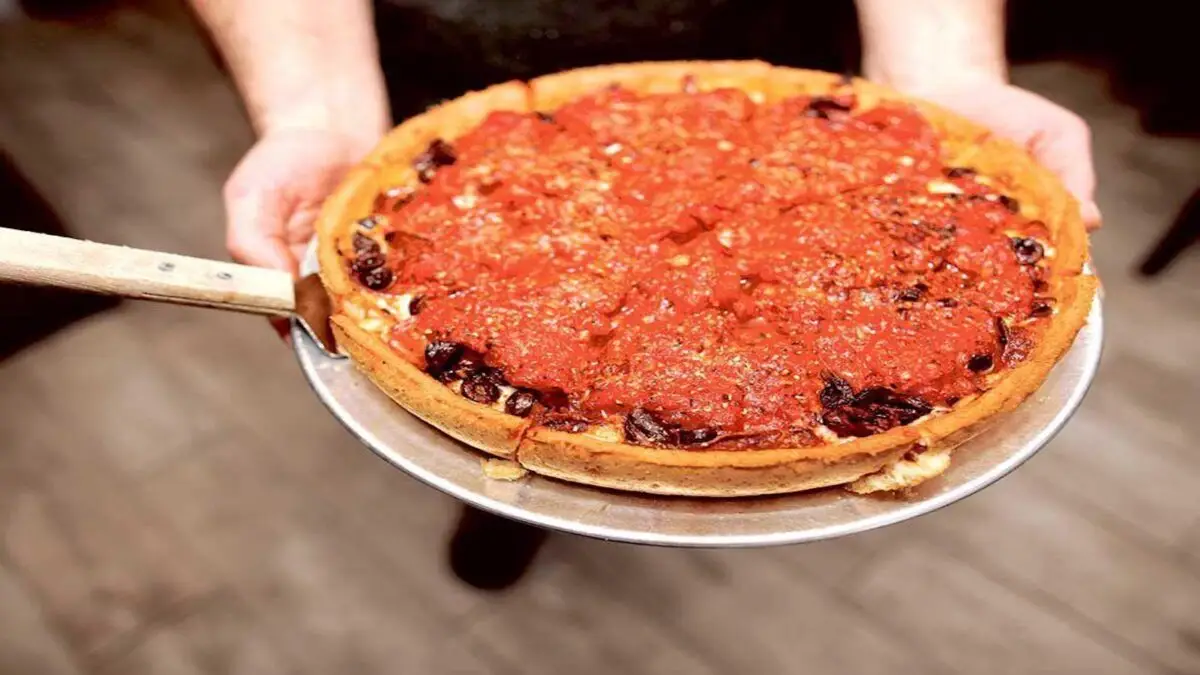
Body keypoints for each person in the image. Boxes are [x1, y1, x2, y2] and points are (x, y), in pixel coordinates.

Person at [188, 0, 1101, 588]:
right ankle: (500, 529)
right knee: (500, 423)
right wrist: (318, 113)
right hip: (428, 79)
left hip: (805, 66)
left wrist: (945, 71)